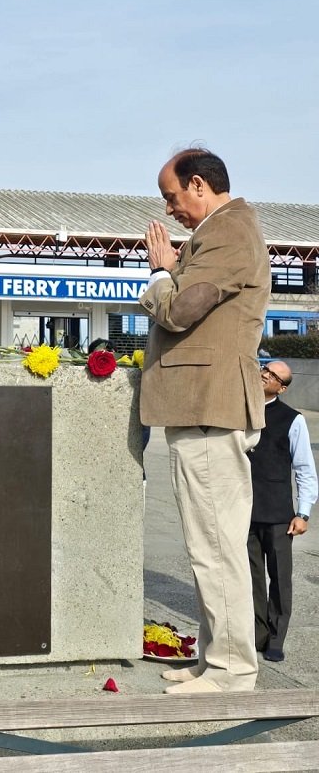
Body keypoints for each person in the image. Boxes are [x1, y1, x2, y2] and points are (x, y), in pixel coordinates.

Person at [139, 148, 270, 694]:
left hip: (212, 407)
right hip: (203, 407)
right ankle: (216, 658)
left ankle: (231, 670)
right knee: (207, 545)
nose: (170, 210)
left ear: (198, 184)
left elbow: (178, 312)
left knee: (216, 547)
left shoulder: (230, 232)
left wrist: (163, 273)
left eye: (172, 197)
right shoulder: (221, 233)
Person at [247, 360, 318, 662]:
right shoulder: (239, 409)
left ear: (282, 387)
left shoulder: (293, 419)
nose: (265, 374)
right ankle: (257, 634)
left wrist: (303, 513)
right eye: (265, 368)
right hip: (243, 511)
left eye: (274, 375)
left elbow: (305, 469)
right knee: (249, 579)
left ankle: (276, 638)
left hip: (278, 514)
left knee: (279, 579)